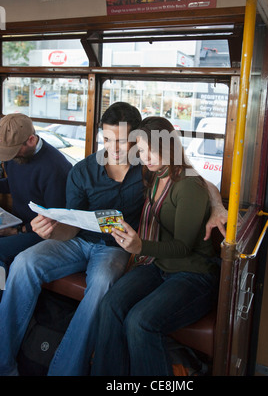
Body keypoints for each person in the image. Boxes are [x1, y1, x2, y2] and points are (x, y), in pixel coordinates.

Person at [0, 103, 226, 377]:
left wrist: (217, 206)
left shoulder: (147, 167)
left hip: (117, 249)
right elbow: (69, 229)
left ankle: (64, 371)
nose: (113, 148)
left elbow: (197, 180)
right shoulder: (83, 170)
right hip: (77, 241)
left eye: (122, 141)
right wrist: (52, 230)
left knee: (103, 285)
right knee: (23, 262)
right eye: (107, 139)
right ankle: (4, 363)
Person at [91, 116, 220, 376]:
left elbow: (183, 247)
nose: (146, 157)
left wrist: (140, 247)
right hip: (160, 265)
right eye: (141, 150)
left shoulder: (188, 185)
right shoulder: (155, 175)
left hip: (193, 274)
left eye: (153, 149)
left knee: (140, 322)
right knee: (110, 304)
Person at [0, 113, 72, 283]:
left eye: (13, 151)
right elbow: (14, 183)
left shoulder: (56, 168)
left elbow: (55, 221)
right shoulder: (16, 156)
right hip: (17, 222)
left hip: (42, 233)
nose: (10, 156)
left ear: (31, 140)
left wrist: (17, 231)